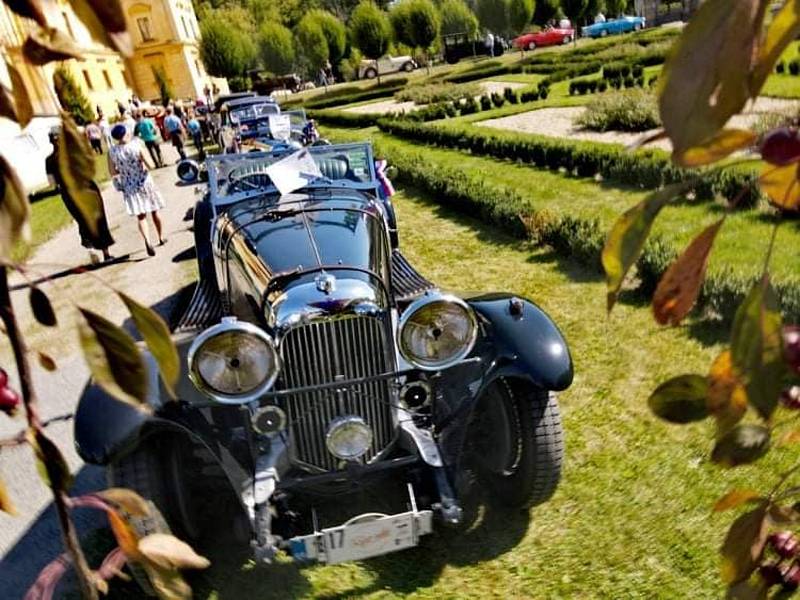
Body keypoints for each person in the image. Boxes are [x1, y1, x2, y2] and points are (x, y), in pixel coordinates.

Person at [45, 129, 115, 261]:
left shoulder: (49, 161)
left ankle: (90, 249)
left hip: (69, 193)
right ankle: (106, 254)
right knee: (99, 220)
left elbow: (52, 183)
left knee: (82, 221)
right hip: (86, 188)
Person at [107, 124, 166, 257]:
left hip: (129, 185)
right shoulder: (136, 146)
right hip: (144, 182)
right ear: (126, 134)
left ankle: (147, 239)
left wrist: (124, 170)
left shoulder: (112, 152)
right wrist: (143, 165)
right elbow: (151, 165)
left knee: (141, 216)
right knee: (154, 210)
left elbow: (112, 171)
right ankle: (161, 237)